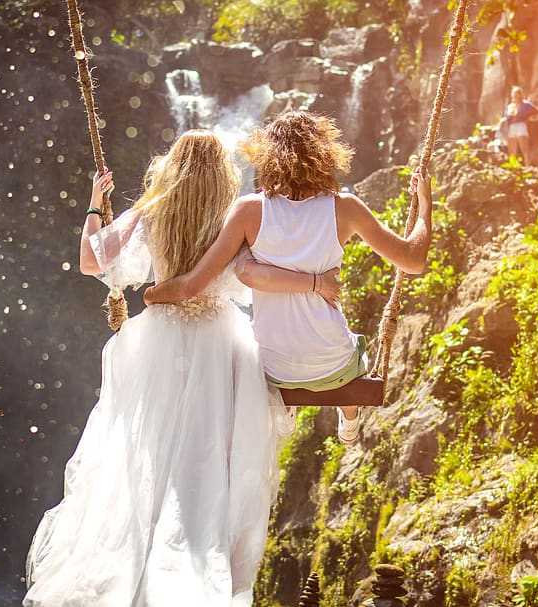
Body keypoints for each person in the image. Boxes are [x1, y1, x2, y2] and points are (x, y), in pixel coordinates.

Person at [23, 130, 340, 606]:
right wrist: (316, 284)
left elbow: (91, 262)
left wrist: (94, 204)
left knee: (149, 457)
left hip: (159, 342)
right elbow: (257, 276)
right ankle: (200, 565)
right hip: (221, 343)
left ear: (171, 164)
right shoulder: (236, 218)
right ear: (223, 174)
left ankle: (145, 568)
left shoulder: (152, 211)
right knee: (210, 462)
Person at [143, 111, 433, 445]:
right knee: (352, 354)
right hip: (331, 364)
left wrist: (151, 295)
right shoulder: (346, 208)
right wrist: (425, 208)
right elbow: (413, 261)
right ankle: (349, 417)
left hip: (272, 368)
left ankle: (286, 409)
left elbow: (191, 286)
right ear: (325, 155)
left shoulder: (248, 211)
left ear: (267, 157)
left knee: (266, 353)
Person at [504, 85, 538, 163]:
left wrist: (530, 119)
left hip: (521, 125)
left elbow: (536, 112)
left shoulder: (526, 104)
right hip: (512, 127)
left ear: (520, 94)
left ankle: (527, 165)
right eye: (514, 93)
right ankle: (513, 166)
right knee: (512, 149)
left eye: (517, 93)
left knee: (524, 148)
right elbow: (506, 117)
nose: (515, 95)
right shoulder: (510, 106)